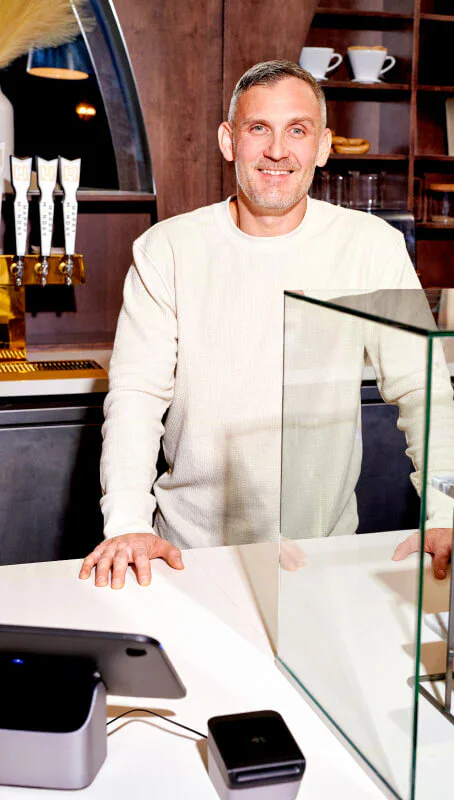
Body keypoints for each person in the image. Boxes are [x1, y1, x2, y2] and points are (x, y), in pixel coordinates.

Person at [79, 60, 454, 590]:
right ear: (229, 141)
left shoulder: (373, 246)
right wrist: (127, 523)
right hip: (190, 556)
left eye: (297, 130)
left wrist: (445, 510)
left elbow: (423, 389)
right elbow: (136, 395)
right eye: (259, 128)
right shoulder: (167, 248)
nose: (278, 150)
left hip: (320, 556)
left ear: (323, 146)